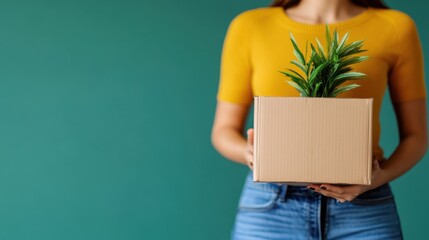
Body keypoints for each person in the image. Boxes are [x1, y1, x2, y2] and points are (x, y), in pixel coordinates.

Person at [211, 0, 428, 239]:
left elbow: (416, 136)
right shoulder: (250, 26)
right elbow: (224, 131)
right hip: (271, 206)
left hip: (363, 204)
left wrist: (379, 177)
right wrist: (251, 154)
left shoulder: (395, 27)